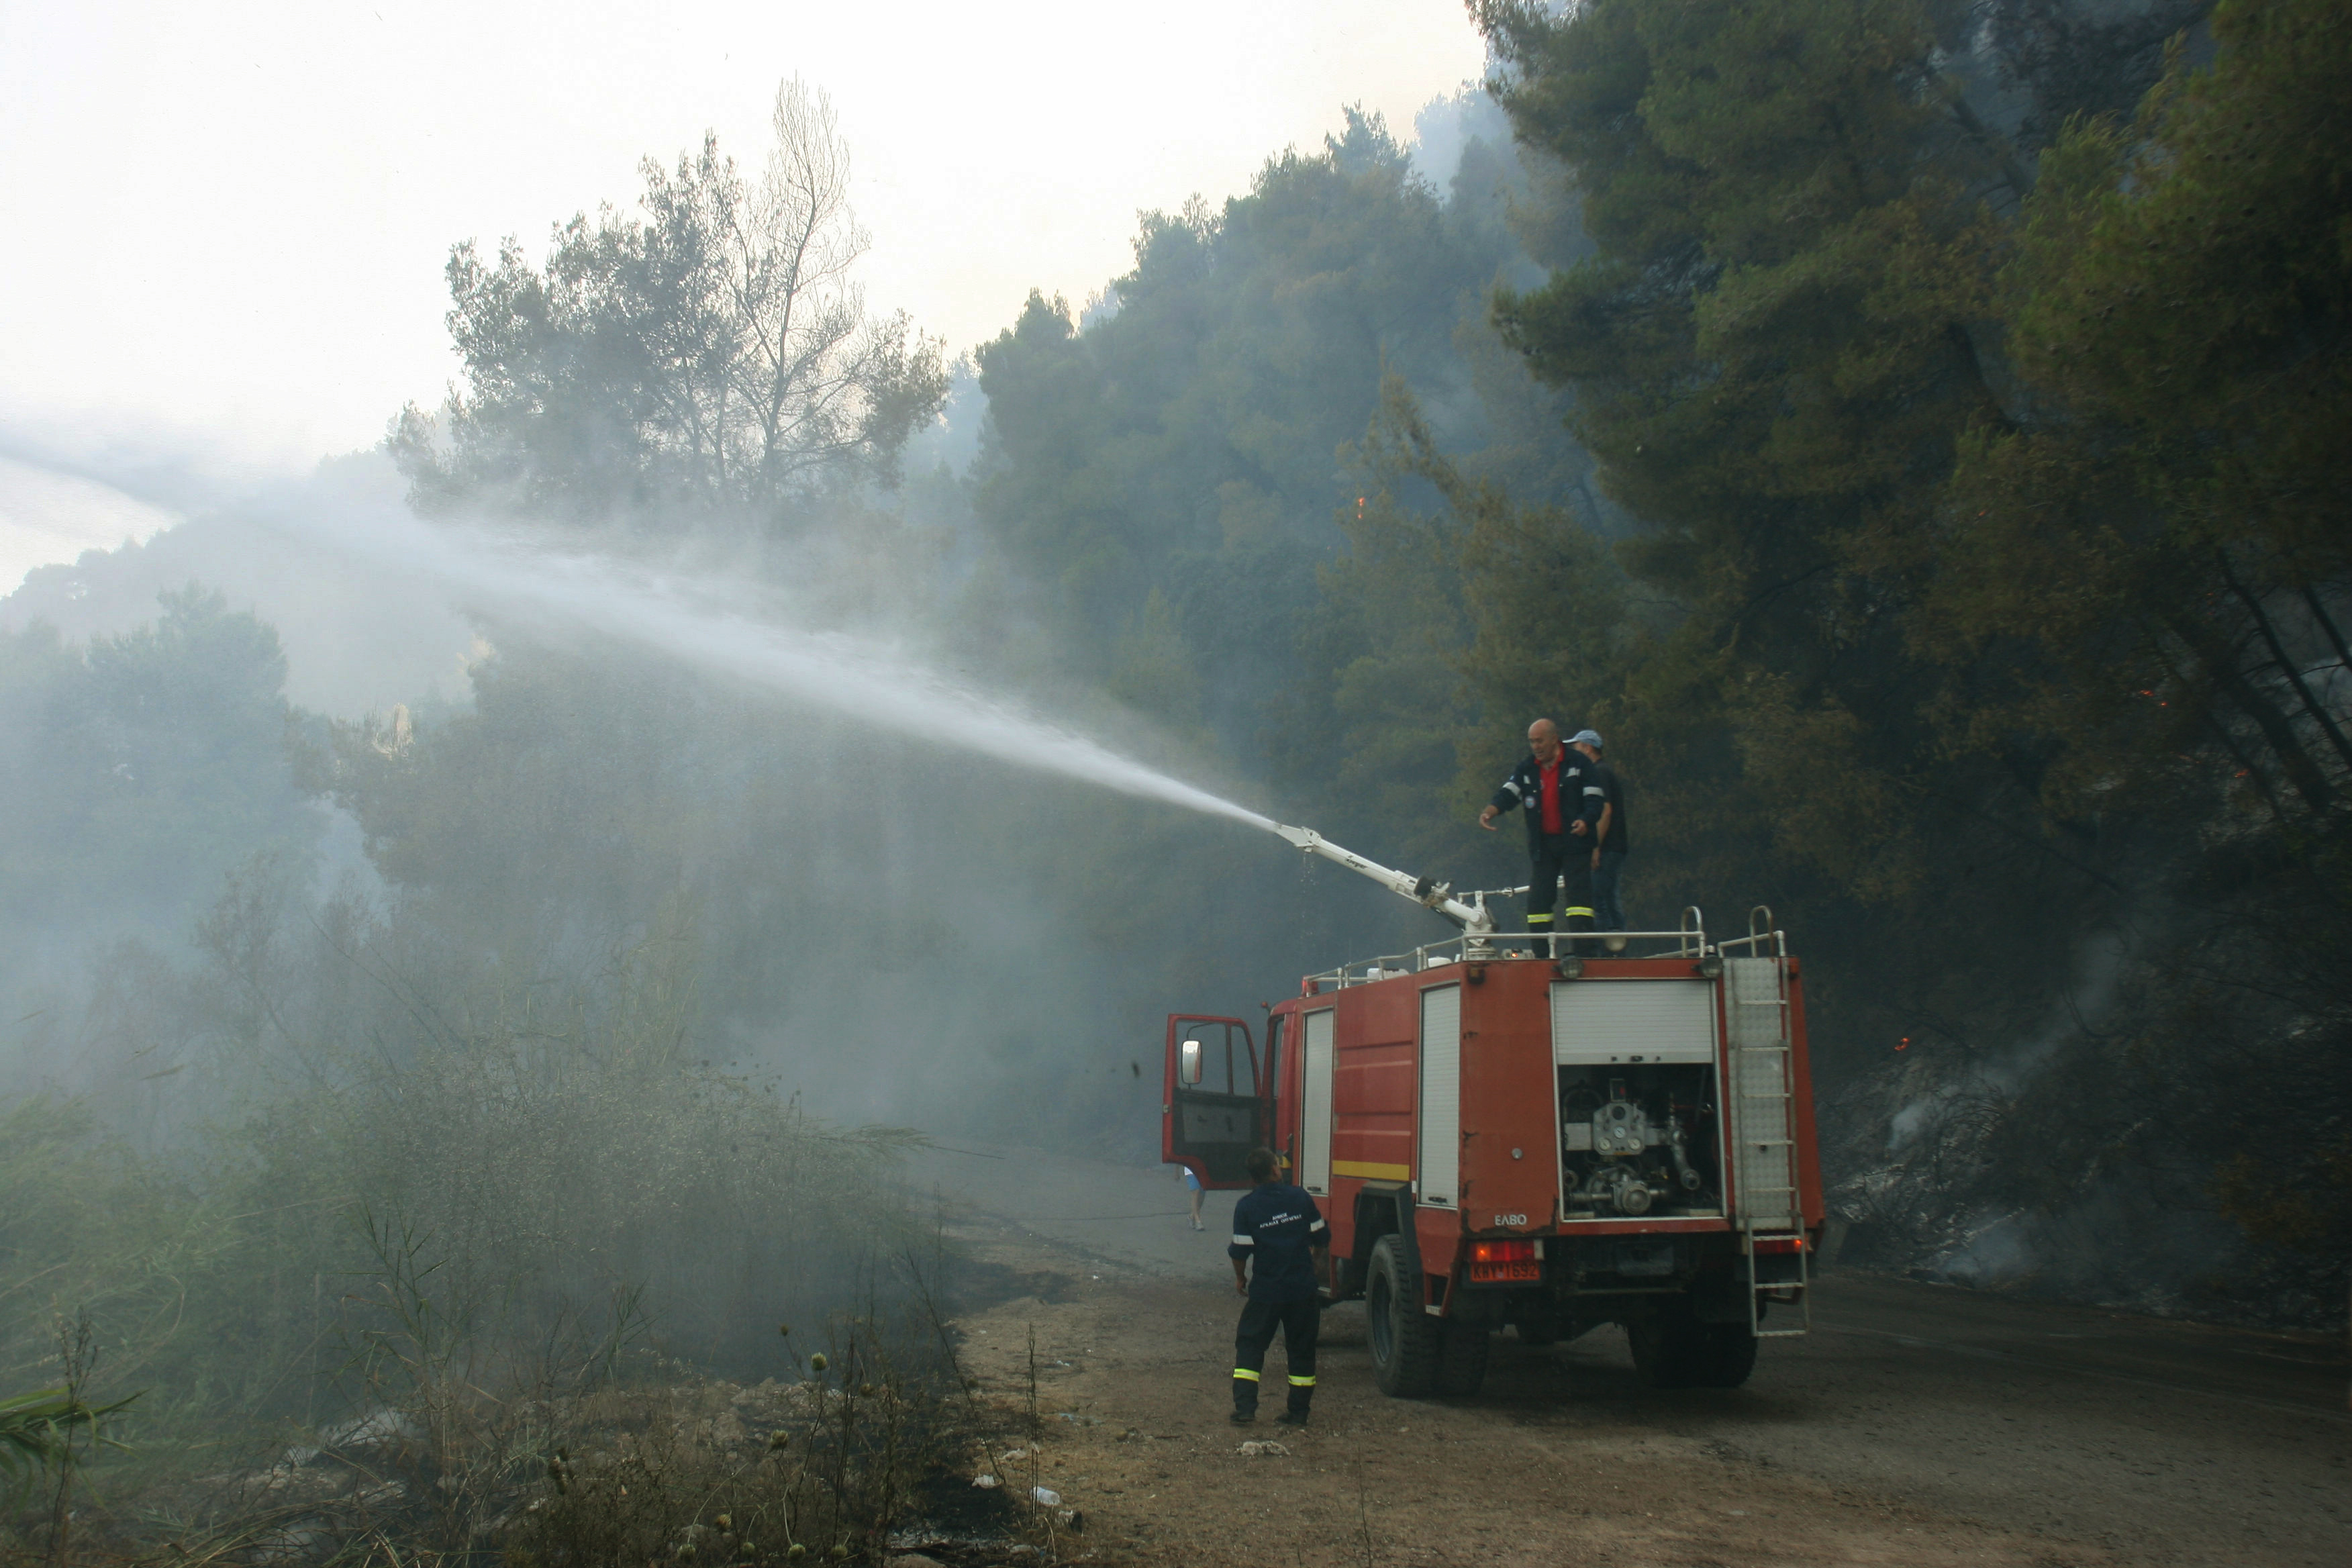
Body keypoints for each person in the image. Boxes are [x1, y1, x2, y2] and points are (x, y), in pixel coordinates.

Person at [1477, 718, 1606, 958]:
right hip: (1543, 845)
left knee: (1579, 902)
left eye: (1540, 741)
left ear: (1554, 739)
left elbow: (1595, 799)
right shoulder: (1528, 768)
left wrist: (1586, 820)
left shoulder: (1579, 764)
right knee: (1538, 902)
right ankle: (1541, 956)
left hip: (1575, 842)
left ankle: (1584, 952)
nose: (1535, 746)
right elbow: (1509, 792)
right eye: (1531, 742)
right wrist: (1490, 811)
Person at [1228, 1146, 1328, 1426]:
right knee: (1301, 1349)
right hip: (1302, 1290)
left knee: (1250, 1345)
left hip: (1267, 1292)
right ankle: (1298, 1413)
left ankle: (1245, 1408)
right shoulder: (1300, 1197)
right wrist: (1316, 1263)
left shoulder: (1246, 1207)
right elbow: (1321, 1237)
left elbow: (1239, 1251)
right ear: (1274, 1170)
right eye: (1278, 1164)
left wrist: (1241, 1278)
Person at [1570, 729, 1629, 950]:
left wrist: (1595, 847)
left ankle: (1609, 951)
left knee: (1601, 898)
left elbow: (1605, 811)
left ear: (1588, 748)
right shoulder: (1602, 772)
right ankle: (1616, 948)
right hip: (1613, 846)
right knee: (1608, 897)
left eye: (1576, 748)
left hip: (1608, 847)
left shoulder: (1599, 773)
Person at [1178, 1163, 1205, 1230]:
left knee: (1202, 1195)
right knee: (1196, 1192)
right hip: (1190, 1170)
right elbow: (1180, 1157)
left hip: (1203, 1169)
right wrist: (1177, 1171)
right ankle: (1198, 1221)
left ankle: (1191, 1216)